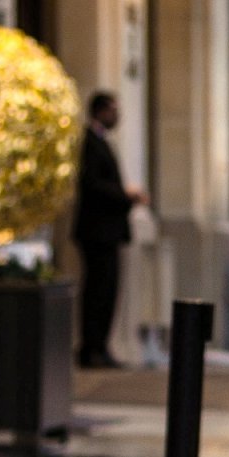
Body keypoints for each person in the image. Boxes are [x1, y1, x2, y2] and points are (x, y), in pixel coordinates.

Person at [73, 91, 144, 368]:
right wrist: (126, 195)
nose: (118, 116)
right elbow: (91, 185)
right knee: (97, 292)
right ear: (101, 111)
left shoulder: (101, 140)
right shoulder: (90, 142)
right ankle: (92, 348)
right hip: (97, 232)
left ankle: (100, 346)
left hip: (108, 231)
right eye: (114, 110)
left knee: (107, 291)